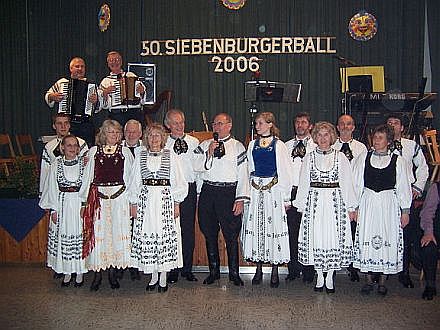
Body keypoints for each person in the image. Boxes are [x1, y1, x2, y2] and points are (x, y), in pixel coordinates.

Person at [294, 121, 356, 293]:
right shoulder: (309, 157)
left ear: (331, 137)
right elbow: (304, 183)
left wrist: (351, 207)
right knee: (317, 237)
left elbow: (347, 183)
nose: (322, 138)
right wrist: (301, 205)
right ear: (315, 137)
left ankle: (330, 277)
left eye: (326, 134)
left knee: (332, 238)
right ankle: (320, 275)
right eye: (319, 135)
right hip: (314, 203)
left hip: (334, 204)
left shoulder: (340, 157)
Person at [352, 124, 412, 296]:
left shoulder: (398, 161)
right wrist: (354, 207)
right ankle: (368, 280)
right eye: (375, 137)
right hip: (368, 203)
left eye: (380, 138)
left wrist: (405, 211)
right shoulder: (364, 158)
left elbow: (403, 187)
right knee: (367, 238)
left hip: (388, 206)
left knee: (387, 239)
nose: (376, 141)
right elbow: (356, 184)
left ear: (388, 141)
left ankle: (383, 282)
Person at [128, 123, 188, 293]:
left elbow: (179, 182)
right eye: (151, 135)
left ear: (163, 138)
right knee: (150, 234)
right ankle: (153, 274)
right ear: (146, 138)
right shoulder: (140, 156)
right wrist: (133, 203)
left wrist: (177, 203)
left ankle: (163, 275)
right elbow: (134, 182)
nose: (154, 138)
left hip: (164, 202)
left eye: (157, 135)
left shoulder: (171, 156)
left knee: (163, 236)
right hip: (146, 202)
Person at [194, 113, 250, 286]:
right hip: (208, 191)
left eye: (220, 123)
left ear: (229, 125)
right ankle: (214, 272)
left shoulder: (238, 146)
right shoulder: (204, 145)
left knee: (231, 235)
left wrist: (240, 199)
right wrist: (208, 154)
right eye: (214, 123)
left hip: (229, 193)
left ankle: (234, 273)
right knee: (209, 233)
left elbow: (243, 175)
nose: (216, 127)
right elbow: (195, 168)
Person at [79, 119, 134, 291]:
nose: (115, 135)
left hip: (119, 200)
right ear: (103, 134)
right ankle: (97, 275)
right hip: (99, 200)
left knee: (116, 234)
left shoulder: (125, 152)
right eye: (111, 132)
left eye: (117, 132)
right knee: (99, 235)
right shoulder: (94, 152)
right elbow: (87, 178)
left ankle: (112, 273)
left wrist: (132, 202)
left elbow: (131, 178)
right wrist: (84, 202)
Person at [241, 112, 293, 288]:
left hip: (273, 191)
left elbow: (285, 171)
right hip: (257, 191)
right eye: (256, 123)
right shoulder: (252, 145)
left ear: (270, 124)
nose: (257, 126)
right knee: (258, 227)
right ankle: (258, 268)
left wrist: (286, 198)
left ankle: (275, 270)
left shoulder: (279, 146)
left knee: (273, 227)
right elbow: (249, 168)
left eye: (261, 123)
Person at [386, 113, 429, 288]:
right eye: (389, 123)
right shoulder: (380, 144)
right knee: (387, 232)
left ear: (402, 127)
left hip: (406, 196)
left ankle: (404, 272)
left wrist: (417, 188)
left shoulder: (411, 146)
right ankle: (384, 270)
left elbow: (423, 167)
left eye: (396, 123)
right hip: (387, 195)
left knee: (405, 235)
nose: (392, 125)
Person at [39, 134, 87, 287]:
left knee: (78, 238)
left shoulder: (84, 165)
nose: (72, 148)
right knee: (64, 237)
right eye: (69, 145)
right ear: (62, 148)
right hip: (63, 205)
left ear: (79, 149)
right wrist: (54, 209)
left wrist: (85, 205)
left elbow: (87, 186)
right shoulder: (56, 164)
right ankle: (66, 272)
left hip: (78, 205)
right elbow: (52, 187)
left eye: (75, 146)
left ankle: (79, 272)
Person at [164, 109, 200, 283]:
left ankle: (187, 268)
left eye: (182, 122)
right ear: (168, 125)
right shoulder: (162, 143)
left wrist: (198, 192)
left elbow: (199, 170)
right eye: (175, 123)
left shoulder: (194, 142)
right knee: (171, 231)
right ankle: (172, 269)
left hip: (190, 190)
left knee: (188, 231)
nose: (179, 126)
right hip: (169, 192)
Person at [333, 114, 368, 282]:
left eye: (349, 124)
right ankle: (332, 266)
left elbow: (363, 175)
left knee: (353, 233)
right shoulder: (331, 146)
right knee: (333, 232)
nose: (345, 127)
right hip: (334, 195)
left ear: (353, 127)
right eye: (342, 124)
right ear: (337, 127)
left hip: (354, 196)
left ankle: (353, 267)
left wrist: (355, 205)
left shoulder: (362, 148)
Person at [284, 112, 317, 283]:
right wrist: (285, 198)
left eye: (304, 122)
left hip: (310, 193)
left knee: (309, 233)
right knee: (292, 232)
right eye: (297, 122)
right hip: (291, 193)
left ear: (310, 126)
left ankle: (309, 270)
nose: (300, 125)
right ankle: (293, 269)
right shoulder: (286, 146)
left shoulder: (316, 145)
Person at [45, 57, 99, 146]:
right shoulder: (62, 83)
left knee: (87, 149)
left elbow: (97, 108)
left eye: (82, 67)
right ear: (71, 68)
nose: (80, 69)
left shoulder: (91, 85)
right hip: (68, 124)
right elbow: (47, 95)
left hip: (85, 124)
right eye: (77, 66)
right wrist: (52, 96)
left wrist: (95, 102)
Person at [40, 113, 88, 197]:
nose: (63, 126)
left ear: (69, 125)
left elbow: (87, 169)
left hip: (77, 192)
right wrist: (43, 194)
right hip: (56, 191)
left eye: (66, 123)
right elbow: (45, 171)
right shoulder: (49, 147)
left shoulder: (80, 143)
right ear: (54, 126)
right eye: (59, 123)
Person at [99, 51, 147, 128]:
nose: (114, 62)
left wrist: (142, 92)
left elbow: (142, 99)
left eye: (117, 60)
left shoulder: (131, 75)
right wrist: (105, 93)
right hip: (116, 115)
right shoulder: (105, 81)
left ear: (121, 62)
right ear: (108, 64)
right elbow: (101, 105)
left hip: (134, 113)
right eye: (111, 60)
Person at [418, 182, 440, 300]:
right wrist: (429, 232)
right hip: (436, 232)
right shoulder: (436, 188)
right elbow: (427, 213)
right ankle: (430, 285)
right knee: (429, 247)